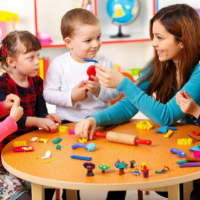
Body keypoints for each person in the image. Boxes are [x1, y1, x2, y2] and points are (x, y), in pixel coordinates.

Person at [75, 4, 200, 200]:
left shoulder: (198, 71)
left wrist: (125, 84)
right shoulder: (161, 63)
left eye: (159, 37)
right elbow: (130, 104)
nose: (153, 43)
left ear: (182, 41)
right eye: (153, 36)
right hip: (181, 147)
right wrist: (95, 119)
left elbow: (166, 116)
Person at [43, 8, 121, 200]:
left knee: (117, 161)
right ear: (69, 43)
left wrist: (99, 91)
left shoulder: (104, 61)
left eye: (98, 37)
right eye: (88, 40)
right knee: (71, 167)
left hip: (101, 121)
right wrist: (72, 97)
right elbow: (48, 94)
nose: (96, 44)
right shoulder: (59, 64)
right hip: (69, 124)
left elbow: (116, 91)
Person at [0, 30, 61, 200]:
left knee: (52, 179)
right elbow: (8, 120)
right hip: (7, 153)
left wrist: (46, 118)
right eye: (31, 58)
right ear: (11, 62)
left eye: (38, 56)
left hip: (32, 145)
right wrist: (38, 121)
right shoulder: (3, 84)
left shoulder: (36, 81)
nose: (37, 62)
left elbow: (41, 109)